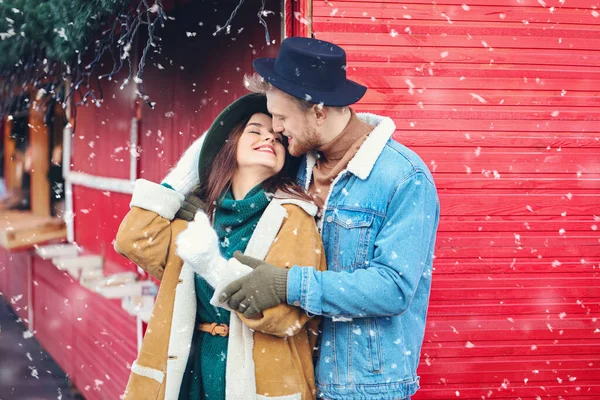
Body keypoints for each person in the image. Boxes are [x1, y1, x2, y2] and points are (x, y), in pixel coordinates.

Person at [218, 37, 441, 399]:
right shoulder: (297, 165)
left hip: (364, 389)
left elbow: (394, 288)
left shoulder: (402, 178)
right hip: (295, 376)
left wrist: (287, 285)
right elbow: (229, 157)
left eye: (281, 117)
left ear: (319, 112)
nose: (275, 128)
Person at [114, 94, 326, 400]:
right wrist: (186, 174)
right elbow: (133, 240)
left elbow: (284, 317)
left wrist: (213, 266)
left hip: (257, 381)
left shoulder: (293, 217)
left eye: (278, 137)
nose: (269, 136)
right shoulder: (200, 216)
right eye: (255, 130)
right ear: (230, 145)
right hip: (192, 372)